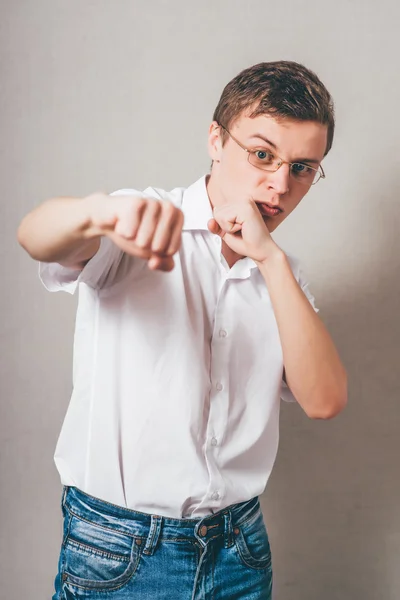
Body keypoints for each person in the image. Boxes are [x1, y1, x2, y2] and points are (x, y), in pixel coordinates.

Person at [18, 60, 347, 600]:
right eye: (262, 154)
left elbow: (324, 400)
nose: (280, 184)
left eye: (304, 167)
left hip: (239, 550)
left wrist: (270, 260)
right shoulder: (139, 219)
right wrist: (96, 213)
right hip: (118, 548)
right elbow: (35, 236)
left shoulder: (281, 275)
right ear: (216, 139)